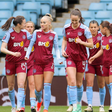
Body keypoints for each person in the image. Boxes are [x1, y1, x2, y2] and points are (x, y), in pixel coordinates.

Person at [25, 13, 63, 112]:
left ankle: (45, 109)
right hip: (37, 64)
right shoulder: (36, 33)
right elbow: (30, 46)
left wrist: (58, 58)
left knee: (47, 85)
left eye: (44, 22)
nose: (42, 24)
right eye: (41, 22)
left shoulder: (53, 34)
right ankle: (39, 100)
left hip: (48, 63)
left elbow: (57, 48)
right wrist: (27, 55)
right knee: (38, 89)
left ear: (49, 23)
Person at [62, 9, 93, 112]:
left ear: (80, 18)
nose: (74, 23)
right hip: (70, 57)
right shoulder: (66, 28)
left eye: (76, 20)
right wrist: (62, 49)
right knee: (72, 81)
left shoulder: (85, 29)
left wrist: (81, 42)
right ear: (70, 18)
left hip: (81, 57)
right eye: (72, 20)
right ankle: (74, 105)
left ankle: (79, 104)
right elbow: (65, 39)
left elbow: (91, 44)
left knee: (79, 83)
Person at [1, 16, 32, 112]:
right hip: (10, 62)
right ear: (18, 24)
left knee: (21, 83)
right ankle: (13, 106)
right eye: (24, 23)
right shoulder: (9, 33)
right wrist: (13, 53)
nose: (25, 25)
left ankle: (19, 107)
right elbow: (2, 48)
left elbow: (34, 40)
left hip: (21, 62)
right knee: (11, 86)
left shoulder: (26, 33)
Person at [89, 21, 112, 112]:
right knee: (108, 85)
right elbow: (101, 50)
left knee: (111, 84)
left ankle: (111, 105)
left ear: (104, 29)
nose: (99, 31)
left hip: (111, 63)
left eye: (100, 28)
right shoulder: (102, 38)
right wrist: (93, 57)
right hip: (105, 64)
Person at [84, 20, 105, 112]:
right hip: (90, 63)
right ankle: (90, 105)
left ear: (98, 28)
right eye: (91, 27)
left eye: (94, 27)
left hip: (101, 63)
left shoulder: (101, 37)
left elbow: (103, 50)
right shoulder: (86, 37)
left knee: (101, 85)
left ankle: (101, 106)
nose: (93, 29)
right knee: (89, 84)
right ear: (89, 28)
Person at [21, 21, 36, 112]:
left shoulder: (35, 38)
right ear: (24, 27)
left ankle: (32, 106)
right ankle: (22, 106)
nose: (29, 28)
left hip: (32, 64)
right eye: (27, 27)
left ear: (33, 28)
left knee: (32, 84)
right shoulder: (21, 38)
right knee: (23, 85)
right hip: (22, 65)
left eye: (31, 27)